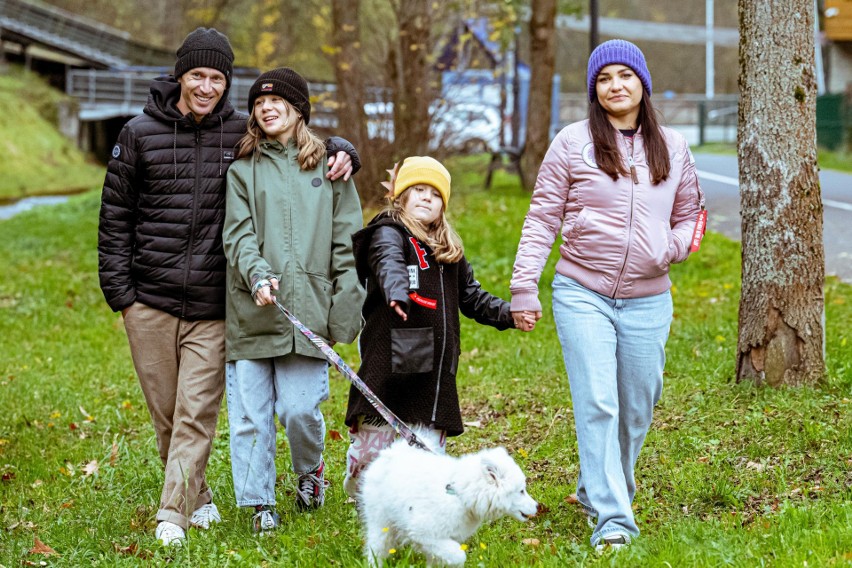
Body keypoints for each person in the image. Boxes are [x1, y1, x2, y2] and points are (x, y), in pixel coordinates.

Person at [97, 28, 360, 546]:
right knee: (168, 413)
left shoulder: (240, 133)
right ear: (180, 76)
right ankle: (198, 497)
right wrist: (121, 295)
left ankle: (170, 515)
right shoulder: (138, 133)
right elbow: (114, 219)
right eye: (197, 75)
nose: (206, 86)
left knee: (198, 412)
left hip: (214, 305)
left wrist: (343, 148)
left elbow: (295, 139)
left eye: (217, 78)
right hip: (149, 298)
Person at [510, 39, 705, 551]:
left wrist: (675, 245)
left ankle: (595, 487)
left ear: (642, 82)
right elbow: (541, 218)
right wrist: (523, 286)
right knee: (598, 403)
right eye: (604, 79)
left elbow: (691, 213)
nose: (615, 86)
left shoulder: (675, 146)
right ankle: (614, 520)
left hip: (648, 297)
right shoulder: (572, 142)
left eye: (625, 75)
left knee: (637, 406)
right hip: (582, 292)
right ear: (594, 90)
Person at [222, 67, 365, 532]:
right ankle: (260, 503)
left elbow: (348, 243)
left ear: (299, 108)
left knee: (301, 409)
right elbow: (238, 235)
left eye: (277, 100)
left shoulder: (330, 168)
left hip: (307, 308)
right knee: (251, 415)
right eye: (259, 103)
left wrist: (347, 303)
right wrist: (256, 272)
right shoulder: (242, 170)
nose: (266, 108)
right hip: (253, 308)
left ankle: (311, 471)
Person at [342, 156, 530, 498]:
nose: (426, 197)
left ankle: (414, 507)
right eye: (417, 190)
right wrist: (395, 291)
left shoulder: (448, 251)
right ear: (401, 197)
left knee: (425, 456)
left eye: (434, 193)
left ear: (443, 204)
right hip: (390, 361)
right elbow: (388, 262)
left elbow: (472, 297)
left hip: (433, 372)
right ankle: (361, 489)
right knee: (374, 449)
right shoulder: (388, 231)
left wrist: (509, 314)